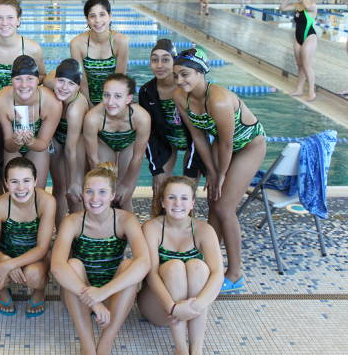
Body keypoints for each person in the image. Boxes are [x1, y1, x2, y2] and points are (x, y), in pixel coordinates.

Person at [172, 47, 266, 293]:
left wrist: (221, 175)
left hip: (248, 146)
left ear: (201, 73)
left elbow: (227, 143)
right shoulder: (180, 97)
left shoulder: (218, 100)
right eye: (176, 75)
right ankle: (209, 263)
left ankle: (235, 274)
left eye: (185, 74)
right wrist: (212, 173)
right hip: (221, 147)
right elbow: (198, 137)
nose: (179, 80)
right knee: (214, 200)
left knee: (224, 207)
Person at [51, 163, 150, 355]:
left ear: (113, 195)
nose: (95, 199)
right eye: (89, 191)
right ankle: (87, 345)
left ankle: (106, 341)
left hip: (112, 295)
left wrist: (104, 292)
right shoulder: (72, 222)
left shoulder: (125, 220)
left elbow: (144, 262)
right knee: (73, 264)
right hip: (79, 293)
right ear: (82, 194)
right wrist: (94, 300)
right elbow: (57, 266)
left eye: (102, 192)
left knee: (130, 265)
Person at [138, 176, 224, 355]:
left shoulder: (204, 230)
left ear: (192, 203)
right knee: (174, 267)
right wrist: (173, 307)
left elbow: (218, 274)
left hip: (192, 309)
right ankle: (181, 349)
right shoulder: (151, 228)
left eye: (184, 198)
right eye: (171, 197)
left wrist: (197, 306)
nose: (178, 203)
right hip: (159, 305)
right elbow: (151, 274)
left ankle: (197, 349)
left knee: (198, 267)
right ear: (162, 202)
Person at [0, 157, 56, 317]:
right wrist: (4, 260)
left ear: (35, 181)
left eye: (26, 181)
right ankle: (2, 292)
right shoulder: (0, 205)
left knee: (34, 275)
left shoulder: (46, 202)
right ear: (6, 183)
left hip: (36, 257)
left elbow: (42, 248)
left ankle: (39, 291)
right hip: (6, 254)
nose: (21, 188)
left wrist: (10, 265)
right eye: (14, 182)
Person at [139, 39, 204, 198]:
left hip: (194, 143)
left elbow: (200, 134)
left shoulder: (187, 88)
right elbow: (150, 134)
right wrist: (157, 169)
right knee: (159, 191)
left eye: (166, 59)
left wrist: (191, 171)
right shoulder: (147, 91)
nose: (159, 65)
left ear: (175, 62)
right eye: (154, 60)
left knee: (188, 191)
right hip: (167, 142)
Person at [83, 74, 150, 211]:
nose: (110, 102)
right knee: (105, 197)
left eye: (118, 96)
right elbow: (92, 158)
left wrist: (126, 184)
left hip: (128, 145)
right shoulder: (93, 118)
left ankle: (126, 224)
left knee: (124, 199)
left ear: (129, 98)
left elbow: (137, 157)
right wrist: (104, 185)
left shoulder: (141, 117)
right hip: (104, 144)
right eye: (106, 95)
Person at [0, 55, 62, 189]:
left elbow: (43, 143)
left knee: (37, 191)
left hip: (38, 148)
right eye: (18, 79)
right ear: (11, 80)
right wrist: (16, 141)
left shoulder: (51, 102)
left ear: (38, 80)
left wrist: (30, 142)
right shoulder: (1, 101)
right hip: (11, 149)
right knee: (13, 191)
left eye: (30, 79)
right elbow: (8, 145)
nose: (24, 85)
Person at [43, 58, 89, 226]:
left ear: (78, 86)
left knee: (74, 193)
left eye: (71, 84)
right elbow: (46, 79)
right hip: (57, 137)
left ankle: (80, 232)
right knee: (59, 188)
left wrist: (74, 181)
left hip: (77, 143)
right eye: (61, 81)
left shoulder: (75, 109)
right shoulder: (50, 84)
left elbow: (71, 148)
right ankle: (61, 232)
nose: (64, 88)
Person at [70, 0, 130, 105]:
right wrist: (89, 105)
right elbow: (82, 82)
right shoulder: (77, 44)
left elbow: (119, 81)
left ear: (110, 16)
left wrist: (105, 106)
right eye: (92, 16)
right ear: (87, 19)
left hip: (113, 98)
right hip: (86, 97)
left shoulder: (121, 41)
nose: (97, 20)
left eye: (102, 14)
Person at [279, 0, 318, 101]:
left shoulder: (312, 5)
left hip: (309, 37)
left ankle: (311, 92)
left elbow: (308, 6)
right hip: (298, 38)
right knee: (300, 65)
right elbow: (282, 8)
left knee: (306, 65)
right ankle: (299, 89)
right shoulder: (297, 5)